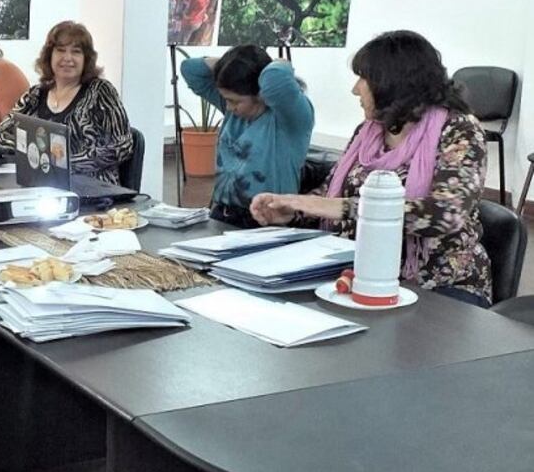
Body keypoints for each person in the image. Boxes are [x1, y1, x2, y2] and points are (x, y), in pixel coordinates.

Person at [250, 30, 492, 307]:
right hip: (358, 275)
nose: (356, 89)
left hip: (439, 286)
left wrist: (336, 207)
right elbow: (332, 193)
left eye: (364, 78)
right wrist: (293, 211)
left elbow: (445, 214)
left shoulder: (459, 130)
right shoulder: (369, 131)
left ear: (392, 83)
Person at [181, 45, 314, 228]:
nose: (228, 107)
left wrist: (279, 63)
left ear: (260, 94)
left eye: (235, 101)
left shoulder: (290, 118)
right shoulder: (235, 112)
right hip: (223, 215)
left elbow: (275, 78)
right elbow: (190, 69)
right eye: (226, 99)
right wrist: (231, 64)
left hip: (266, 223)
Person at [0, 21, 133, 185]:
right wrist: (33, 154)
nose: (68, 58)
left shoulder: (101, 92)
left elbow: (123, 146)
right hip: (41, 184)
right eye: (60, 50)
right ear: (49, 56)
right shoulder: (35, 94)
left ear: (86, 59)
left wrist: (64, 163)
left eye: (76, 52)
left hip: (92, 188)